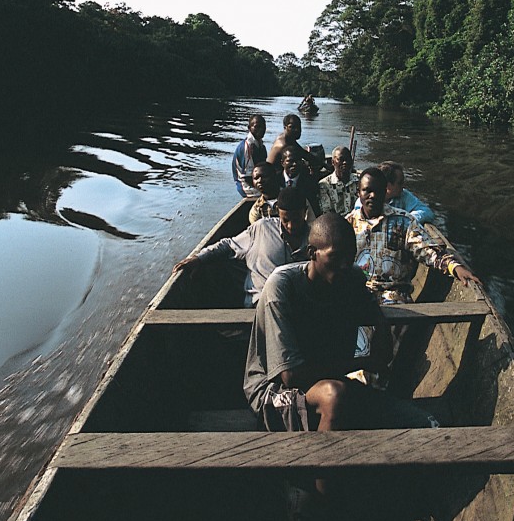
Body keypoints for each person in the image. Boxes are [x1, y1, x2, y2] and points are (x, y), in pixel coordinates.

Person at [243, 214, 434, 434]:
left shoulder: (351, 279)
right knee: (333, 397)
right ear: (312, 253)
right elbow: (291, 376)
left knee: (423, 420)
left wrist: (375, 317)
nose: (345, 264)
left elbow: (382, 355)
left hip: (328, 379)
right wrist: (359, 363)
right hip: (273, 390)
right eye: (335, 257)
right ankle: (322, 465)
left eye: (350, 257)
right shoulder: (282, 286)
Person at [347, 167, 480, 305]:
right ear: (359, 193)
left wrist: (454, 266)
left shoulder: (404, 221)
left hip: (395, 293)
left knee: (395, 316)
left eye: (378, 191)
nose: (373, 195)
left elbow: (426, 249)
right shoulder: (347, 224)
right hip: (359, 292)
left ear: (385, 191)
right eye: (367, 190)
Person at [174, 187, 310, 305]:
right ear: (278, 212)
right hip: (258, 305)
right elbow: (228, 245)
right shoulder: (262, 228)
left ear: (305, 212)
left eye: (296, 220)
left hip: (296, 306)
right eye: (285, 220)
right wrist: (199, 258)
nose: (290, 226)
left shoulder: (315, 238)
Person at [372, 160, 437, 225]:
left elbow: (427, 212)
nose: (403, 186)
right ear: (388, 185)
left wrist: (408, 219)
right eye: (400, 183)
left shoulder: (404, 195)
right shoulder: (367, 199)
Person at [280, 143, 322, 216]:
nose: (294, 164)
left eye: (297, 160)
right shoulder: (275, 180)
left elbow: (314, 207)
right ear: (282, 163)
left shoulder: (310, 182)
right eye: (290, 161)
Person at [231, 114, 268, 198]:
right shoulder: (247, 147)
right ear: (249, 128)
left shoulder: (260, 145)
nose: (261, 130)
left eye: (263, 127)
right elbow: (247, 177)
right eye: (257, 127)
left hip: (255, 180)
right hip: (245, 185)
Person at [317, 145, 356, 217]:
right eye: (341, 159)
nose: (345, 162)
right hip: (336, 224)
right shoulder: (324, 185)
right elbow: (327, 213)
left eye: (348, 159)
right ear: (333, 162)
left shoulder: (359, 182)